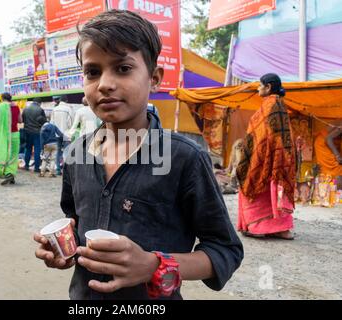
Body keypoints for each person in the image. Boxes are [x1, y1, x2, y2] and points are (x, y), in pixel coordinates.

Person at [34, 10, 243, 300]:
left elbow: (225, 250)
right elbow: (76, 222)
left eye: (122, 68)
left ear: (154, 78)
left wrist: (154, 265)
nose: (105, 84)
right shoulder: (76, 155)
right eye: (93, 72)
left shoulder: (184, 159)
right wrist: (64, 251)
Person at [236, 73, 296, 240]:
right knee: (272, 187)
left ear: (268, 87)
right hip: (275, 157)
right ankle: (282, 229)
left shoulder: (271, 105)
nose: (257, 88)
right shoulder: (278, 105)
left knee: (255, 184)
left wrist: (254, 156)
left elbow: (264, 136)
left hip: (264, 157)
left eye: (260, 85)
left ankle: (259, 227)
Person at [0, 93, 22, 186]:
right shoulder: (16, 107)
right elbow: (20, 120)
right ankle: (10, 173)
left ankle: (3, 172)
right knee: (13, 155)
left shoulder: (0, 107)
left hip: (3, 135)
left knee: (3, 153)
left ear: (2, 99)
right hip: (15, 134)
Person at [22, 97, 47, 173]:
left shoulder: (25, 109)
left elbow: (23, 119)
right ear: (39, 103)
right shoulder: (40, 110)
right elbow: (44, 121)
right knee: (37, 150)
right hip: (37, 132)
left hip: (27, 131)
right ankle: (36, 167)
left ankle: (26, 165)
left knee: (28, 148)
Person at [314, 121, 342, 188]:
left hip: (321, 143)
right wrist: (337, 156)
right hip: (323, 143)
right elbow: (328, 139)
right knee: (335, 170)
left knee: (327, 173)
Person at [51, 95, 74, 175]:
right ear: (66, 101)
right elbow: (71, 123)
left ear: (60, 100)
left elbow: (52, 123)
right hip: (66, 134)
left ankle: (58, 169)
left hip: (57, 134)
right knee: (66, 151)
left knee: (57, 151)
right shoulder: (69, 109)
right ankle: (65, 170)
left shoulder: (54, 109)